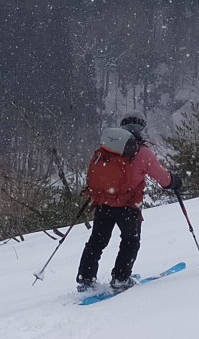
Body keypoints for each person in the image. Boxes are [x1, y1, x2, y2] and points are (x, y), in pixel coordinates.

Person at [77, 114, 181, 293]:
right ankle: (120, 278)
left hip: (103, 204)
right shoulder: (142, 153)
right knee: (130, 242)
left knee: (97, 241)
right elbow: (163, 179)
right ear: (142, 128)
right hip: (128, 206)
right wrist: (174, 182)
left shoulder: (106, 149)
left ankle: (85, 279)